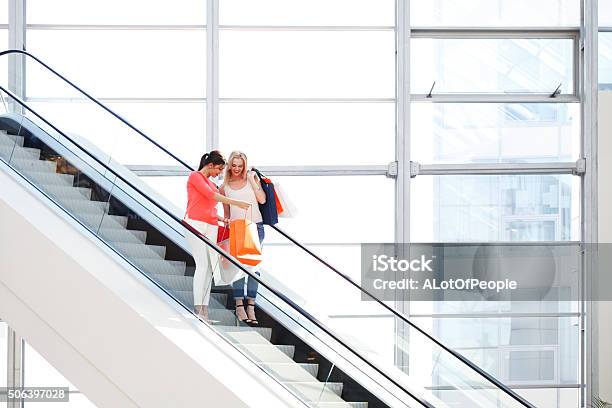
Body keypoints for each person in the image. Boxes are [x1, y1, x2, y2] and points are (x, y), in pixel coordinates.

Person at [184, 150, 251, 323]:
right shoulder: (195, 176)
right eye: (219, 169)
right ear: (211, 165)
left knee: (208, 269)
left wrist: (222, 219)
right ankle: (198, 309)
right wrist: (237, 203)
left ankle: (204, 311)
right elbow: (210, 196)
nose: (219, 173)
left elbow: (210, 207)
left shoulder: (211, 183)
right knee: (202, 265)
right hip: (195, 224)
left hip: (211, 225)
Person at [219, 151, 266, 325]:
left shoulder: (251, 180)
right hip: (237, 229)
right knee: (238, 266)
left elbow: (262, 200)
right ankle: (239, 305)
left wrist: (253, 182)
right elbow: (226, 213)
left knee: (254, 268)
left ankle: (251, 305)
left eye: (240, 165)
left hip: (256, 227)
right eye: (234, 165)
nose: (237, 169)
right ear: (229, 165)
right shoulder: (225, 187)